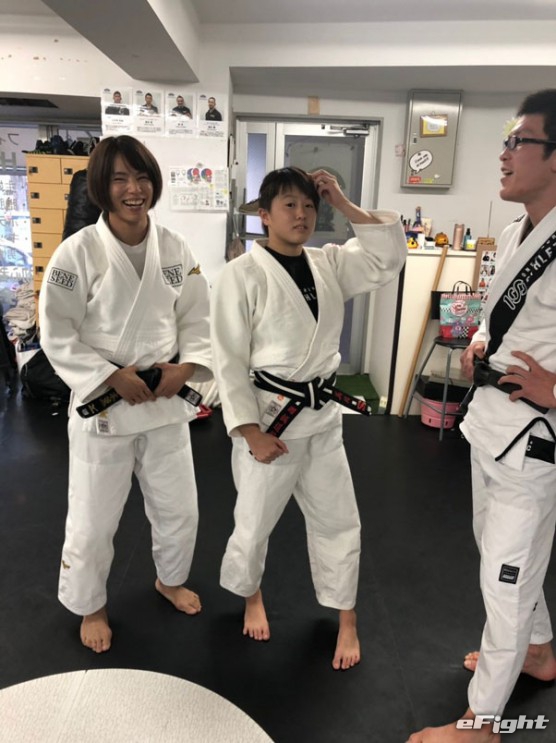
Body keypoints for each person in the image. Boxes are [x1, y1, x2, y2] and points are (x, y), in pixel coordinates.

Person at [211, 166, 406, 669]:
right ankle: (251, 595)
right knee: (253, 524)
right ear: (264, 215)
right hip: (269, 420)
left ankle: (347, 616)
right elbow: (227, 358)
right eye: (289, 205)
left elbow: (387, 258)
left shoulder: (329, 263)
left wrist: (342, 202)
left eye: (309, 206)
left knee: (340, 520)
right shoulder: (240, 275)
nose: (301, 215)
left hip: (321, 419)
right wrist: (249, 431)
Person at [408, 89, 556, 742]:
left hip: (533, 438)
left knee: (506, 581)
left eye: (518, 142)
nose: (503, 154)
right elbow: (504, 318)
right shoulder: (520, 230)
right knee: (499, 554)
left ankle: (483, 722)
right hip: (490, 424)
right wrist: (477, 344)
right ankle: (539, 650)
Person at [39, 135, 212, 654]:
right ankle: (90, 604)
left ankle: (170, 579)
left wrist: (186, 368)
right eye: (119, 179)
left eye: (141, 178)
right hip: (106, 406)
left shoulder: (175, 248)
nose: (133, 189)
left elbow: (197, 317)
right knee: (93, 520)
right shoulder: (77, 253)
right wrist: (111, 377)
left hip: (163, 400)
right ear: (101, 187)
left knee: (180, 510)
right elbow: (56, 332)